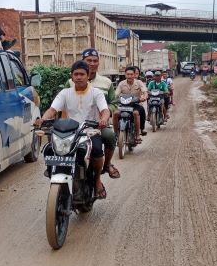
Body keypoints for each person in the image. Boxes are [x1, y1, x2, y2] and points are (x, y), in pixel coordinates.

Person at [35, 61, 110, 199]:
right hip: (69, 131)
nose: (79, 77)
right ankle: (53, 170)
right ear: (72, 76)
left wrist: (103, 119)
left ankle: (97, 180)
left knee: (97, 150)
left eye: (82, 74)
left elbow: (105, 110)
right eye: (76, 74)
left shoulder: (96, 93)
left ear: (88, 76)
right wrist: (43, 120)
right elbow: (52, 110)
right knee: (49, 148)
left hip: (89, 131)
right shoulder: (65, 93)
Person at [67, 48, 120, 179]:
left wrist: (104, 113)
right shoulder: (70, 82)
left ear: (98, 63)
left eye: (95, 61)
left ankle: (106, 165)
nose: (92, 63)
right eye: (89, 60)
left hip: (97, 125)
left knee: (110, 136)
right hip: (75, 125)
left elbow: (114, 103)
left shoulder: (106, 82)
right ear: (83, 62)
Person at [114, 66, 148, 142]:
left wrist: (144, 96)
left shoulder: (139, 83)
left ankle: (137, 135)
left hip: (135, 105)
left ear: (134, 75)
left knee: (136, 113)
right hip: (123, 105)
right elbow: (116, 94)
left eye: (131, 74)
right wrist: (113, 99)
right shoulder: (121, 83)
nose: (130, 76)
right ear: (125, 75)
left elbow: (144, 91)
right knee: (115, 113)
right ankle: (115, 134)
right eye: (128, 74)